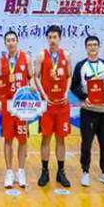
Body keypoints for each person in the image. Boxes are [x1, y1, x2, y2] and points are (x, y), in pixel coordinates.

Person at [70, 35, 104, 188]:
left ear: (99, 47)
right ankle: (85, 172)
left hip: (103, 111)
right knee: (86, 143)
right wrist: (84, 97)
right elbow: (74, 85)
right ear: (86, 48)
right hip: (88, 111)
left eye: (95, 44)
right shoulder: (80, 65)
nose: (92, 47)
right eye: (90, 45)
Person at [35, 25, 72, 187]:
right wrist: (43, 95)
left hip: (62, 105)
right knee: (46, 138)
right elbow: (36, 77)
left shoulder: (66, 55)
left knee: (61, 138)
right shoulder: (41, 55)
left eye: (55, 37)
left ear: (60, 38)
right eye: (50, 37)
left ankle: (61, 172)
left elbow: (69, 76)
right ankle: (45, 171)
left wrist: (67, 92)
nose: (52, 40)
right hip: (47, 105)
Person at [0, 30, 34, 188]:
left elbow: (31, 77)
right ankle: (9, 172)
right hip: (7, 105)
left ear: (17, 41)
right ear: (5, 43)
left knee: (22, 139)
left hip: (22, 105)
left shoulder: (25, 57)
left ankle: (21, 171)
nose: (11, 42)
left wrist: (33, 87)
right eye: (8, 40)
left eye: (13, 40)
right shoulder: (1, 61)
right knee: (8, 139)